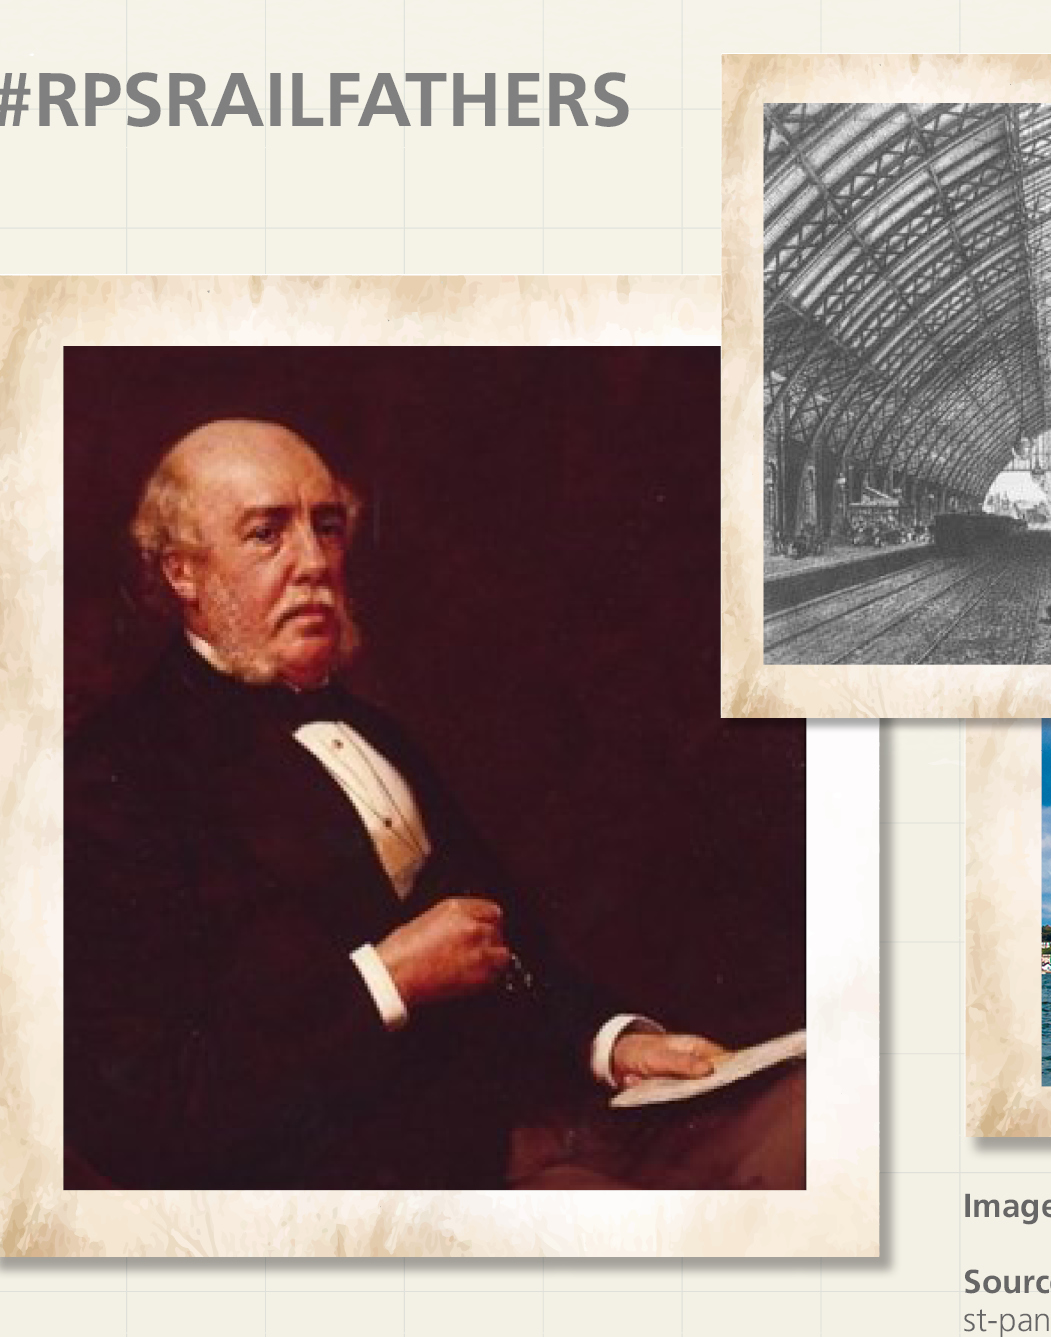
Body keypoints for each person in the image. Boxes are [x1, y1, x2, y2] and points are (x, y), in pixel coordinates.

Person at [64, 419, 803, 1191]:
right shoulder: (115, 775)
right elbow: (148, 1110)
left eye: (327, 526)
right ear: (183, 573)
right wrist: (387, 980)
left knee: (820, 1114)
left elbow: (501, 940)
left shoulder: (375, 732)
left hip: (534, 1128)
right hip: (364, 1199)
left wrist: (610, 1041)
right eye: (266, 534)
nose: (315, 562)